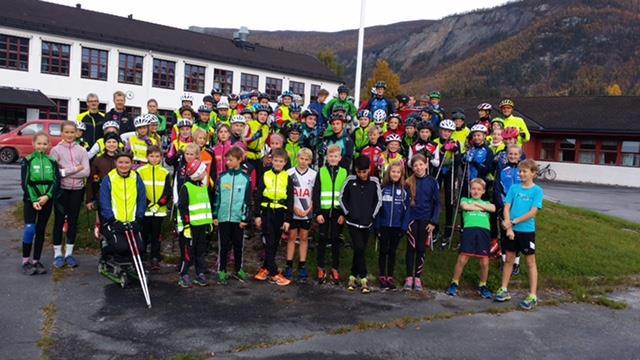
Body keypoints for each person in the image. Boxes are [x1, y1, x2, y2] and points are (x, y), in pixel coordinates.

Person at [495, 160, 543, 311]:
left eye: (525, 171)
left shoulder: (537, 191)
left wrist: (513, 222)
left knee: (530, 262)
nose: (521, 174)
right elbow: (507, 206)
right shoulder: (514, 188)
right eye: (520, 171)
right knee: (509, 259)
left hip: (526, 231)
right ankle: (504, 289)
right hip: (511, 230)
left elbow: (533, 212)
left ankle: (533, 295)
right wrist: (508, 226)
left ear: (533, 173)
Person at [445, 178, 495, 299]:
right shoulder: (465, 199)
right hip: (469, 231)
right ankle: (454, 283)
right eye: (473, 189)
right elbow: (465, 206)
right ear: (470, 190)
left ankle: (483, 285)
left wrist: (477, 204)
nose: (476, 191)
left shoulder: (488, 203)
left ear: (483, 191)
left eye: (479, 189)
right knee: (462, 259)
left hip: (483, 232)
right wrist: (482, 207)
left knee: (484, 262)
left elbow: (493, 208)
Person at [50, 121, 90, 268]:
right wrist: (75, 169)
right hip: (62, 190)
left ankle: (69, 253)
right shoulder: (55, 150)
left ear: (77, 133)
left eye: (72, 132)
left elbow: (86, 171)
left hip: (77, 190)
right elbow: (55, 173)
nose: (69, 135)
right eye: (66, 132)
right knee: (59, 221)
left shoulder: (82, 150)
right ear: (62, 133)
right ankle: (57, 254)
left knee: (73, 221)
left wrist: (66, 171)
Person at [341, 156, 382, 293]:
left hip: (366, 223)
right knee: (358, 247)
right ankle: (363, 277)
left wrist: (372, 216)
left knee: (360, 250)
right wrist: (348, 212)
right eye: (359, 172)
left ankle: (352, 275)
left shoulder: (374, 182)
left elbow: (378, 201)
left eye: (364, 172)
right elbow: (342, 197)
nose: (362, 175)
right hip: (352, 222)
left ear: (369, 169)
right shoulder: (350, 180)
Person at [20, 132, 59, 275]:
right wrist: (35, 199)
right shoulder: (28, 160)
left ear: (49, 145)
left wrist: (47, 196)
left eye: (44, 143)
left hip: (46, 200)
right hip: (32, 200)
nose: (41, 146)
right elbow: (25, 182)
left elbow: (56, 181)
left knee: (41, 230)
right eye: (39, 143)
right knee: (30, 228)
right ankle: (25, 261)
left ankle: (36, 260)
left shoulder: (52, 161)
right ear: (33, 144)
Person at [254, 149, 293, 286]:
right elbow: (258, 195)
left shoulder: (287, 177)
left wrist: (288, 219)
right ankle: (275, 273)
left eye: (281, 161)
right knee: (269, 241)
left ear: (285, 163)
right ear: (272, 161)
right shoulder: (265, 175)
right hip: (267, 211)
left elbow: (290, 200)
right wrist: (257, 214)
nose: (277, 163)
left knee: (275, 242)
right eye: (275, 161)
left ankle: (265, 268)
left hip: (280, 213)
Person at [98, 150, 146, 262]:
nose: (123, 165)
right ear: (115, 163)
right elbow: (104, 201)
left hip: (132, 221)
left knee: (140, 247)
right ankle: (108, 254)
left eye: (127, 162)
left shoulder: (136, 178)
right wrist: (111, 219)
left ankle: (130, 263)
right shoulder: (109, 179)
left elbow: (141, 199)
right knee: (121, 247)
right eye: (120, 162)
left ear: (131, 163)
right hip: (115, 221)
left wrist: (139, 217)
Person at [213, 147, 252, 284]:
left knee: (238, 245)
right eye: (227, 160)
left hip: (238, 219)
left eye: (231, 160)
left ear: (240, 160)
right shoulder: (222, 177)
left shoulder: (246, 179)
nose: (228, 162)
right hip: (223, 218)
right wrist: (215, 215)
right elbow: (217, 197)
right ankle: (222, 269)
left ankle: (238, 269)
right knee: (223, 245)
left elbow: (248, 201)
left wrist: (244, 218)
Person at [403, 154, 440, 291]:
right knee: (411, 248)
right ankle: (409, 277)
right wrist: (405, 222)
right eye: (415, 165)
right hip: (412, 220)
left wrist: (433, 222)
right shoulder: (408, 182)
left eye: (420, 164)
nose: (418, 168)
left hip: (426, 220)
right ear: (412, 167)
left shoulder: (432, 181)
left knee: (421, 248)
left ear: (426, 165)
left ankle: (417, 277)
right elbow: (405, 204)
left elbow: (437, 204)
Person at [313, 144, 348, 284]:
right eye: (330, 156)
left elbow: (347, 195)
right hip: (324, 212)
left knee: (335, 241)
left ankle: (335, 268)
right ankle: (320, 267)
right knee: (321, 240)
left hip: (338, 213)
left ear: (340, 158)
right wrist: (318, 212)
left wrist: (343, 214)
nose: (333, 158)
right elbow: (316, 193)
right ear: (327, 157)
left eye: (336, 156)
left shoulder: (345, 172)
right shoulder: (321, 171)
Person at [177, 159, 214, 288]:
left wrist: (208, 222)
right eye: (203, 170)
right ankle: (184, 274)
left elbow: (205, 206)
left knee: (200, 251)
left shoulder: (202, 186)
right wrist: (186, 225)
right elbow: (182, 207)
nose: (205, 172)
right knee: (189, 252)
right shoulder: (186, 187)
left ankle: (200, 273)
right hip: (190, 227)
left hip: (201, 226)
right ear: (197, 174)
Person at [375, 162, 410, 290]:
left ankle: (390, 276)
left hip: (397, 226)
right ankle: (382, 275)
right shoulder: (383, 188)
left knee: (392, 251)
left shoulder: (404, 190)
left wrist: (404, 227)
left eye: (398, 172)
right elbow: (377, 209)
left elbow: (407, 211)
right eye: (393, 171)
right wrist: (377, 226)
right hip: (384, 225)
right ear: (388, 173)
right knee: (383, 250)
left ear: (401, 174)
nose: (395, 174)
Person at [284, 148, 317, 282]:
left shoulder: (314, 174)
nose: (303, 162)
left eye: (306, 159)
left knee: (304, 237)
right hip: (293, 211)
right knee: (291, 237)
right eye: (301, 158)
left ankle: (302, 265)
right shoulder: (289, 173)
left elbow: (315, 194)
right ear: (297, 158)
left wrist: (309, 209)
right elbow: (287, 195)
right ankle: (289, 265)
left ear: (310, 161)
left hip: (306, 211)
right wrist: (293, 208)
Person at [137, 146, 171, 270]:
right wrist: (148, 203)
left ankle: (155, 257)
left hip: (159, 211)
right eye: (151, 156)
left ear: (161, 157)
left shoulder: (165, 172)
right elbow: (138, 190)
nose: (154, 159)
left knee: (156, 235)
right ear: (147, 157)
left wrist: (159, 204)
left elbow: (168, 191)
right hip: (145, 210)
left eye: (157, 156)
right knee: (144, 234)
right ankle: (142, 255)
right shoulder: (140, 171)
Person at [494, 144, 523, 273]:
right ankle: (504, 260)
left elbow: (527, 187)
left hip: (519, 207)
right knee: (505, 234)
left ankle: (516, 262)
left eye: (515, 154)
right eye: (510, 154)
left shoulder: (523, 169)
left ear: (520, 155)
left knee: (517, 235)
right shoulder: (502, 167)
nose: (512, 156)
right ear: (506, 155)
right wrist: (500, 204)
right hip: (504, 205)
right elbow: (497, 186)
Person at [86, 133, 120, 239]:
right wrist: (89, 199)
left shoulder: (122, 159)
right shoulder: (98, 160)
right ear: (104, 144)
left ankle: (118, 250)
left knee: (118, 225)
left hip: (119, 197)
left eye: (114, 142)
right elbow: (92, 180)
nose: (111, 144)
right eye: (109, 142)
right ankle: (105, 251)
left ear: (118, 144)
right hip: (102, 197)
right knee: (104, 225)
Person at [434, 119, 462, 241]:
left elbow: (458, 162)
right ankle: (434, 228)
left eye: (449, 131)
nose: (446, 133)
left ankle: (448, 230)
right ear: (440, 130)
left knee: (449, 200)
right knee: (435, 199)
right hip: (438, 171)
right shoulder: (435, 142)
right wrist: (442, 151)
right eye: (444, 130)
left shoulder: (456, 142)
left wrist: (456, 152)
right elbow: (434, 162)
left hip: (450, 172)